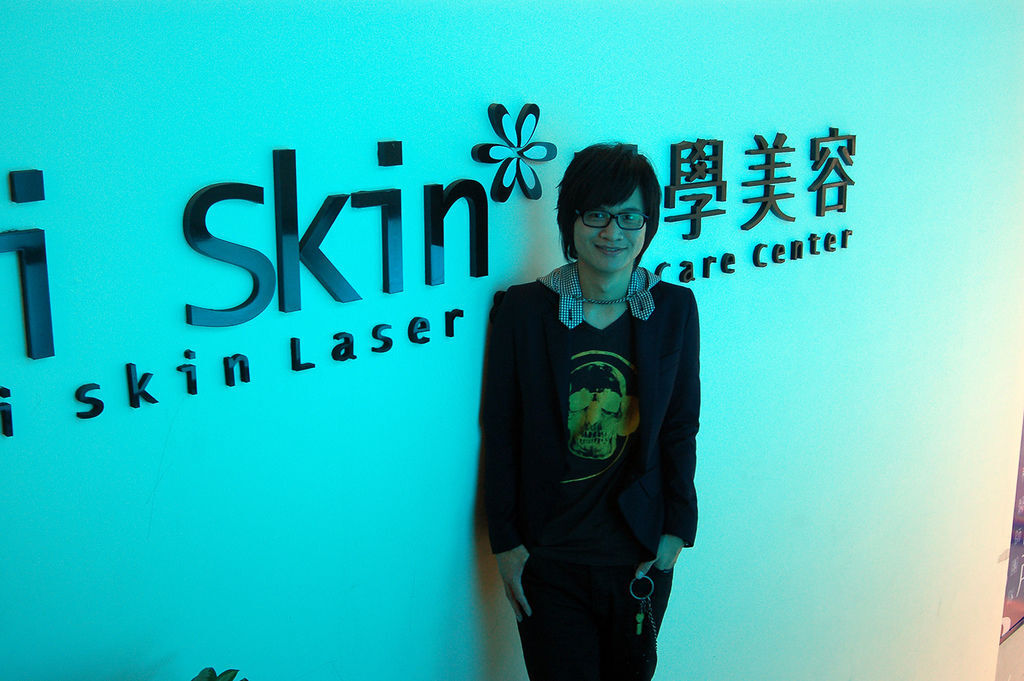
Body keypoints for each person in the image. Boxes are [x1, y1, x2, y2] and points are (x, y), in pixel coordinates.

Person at [483, 143, 700, 681]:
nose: (612, 232)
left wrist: (677, 529)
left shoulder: (673, 309)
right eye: (597, 215)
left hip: (639, 553)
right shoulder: (524, 310)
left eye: (629, 217)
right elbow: (502, 429)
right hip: (550, 556)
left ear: (648, 225)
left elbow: (680, 425)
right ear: (571, 220)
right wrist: (506, 543)